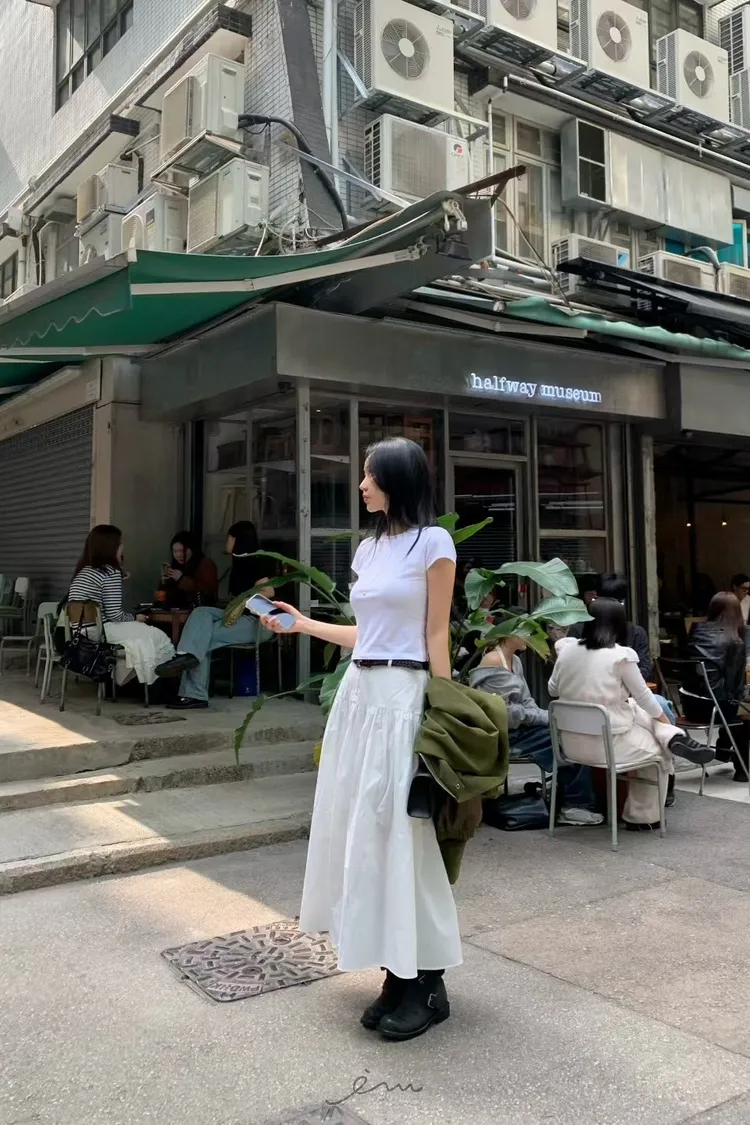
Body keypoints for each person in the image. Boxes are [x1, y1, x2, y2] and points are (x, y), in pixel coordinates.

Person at [260, 437, 462, 1041]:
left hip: (405, 698)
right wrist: (301, 624)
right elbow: (366, 634)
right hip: (360, 698)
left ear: (395, 480)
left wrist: (444, 713)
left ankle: (425, 980)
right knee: (365, 835)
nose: (361, 485)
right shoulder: (368, 550)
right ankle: (396, 974)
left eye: (370, 476)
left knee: (404, 836)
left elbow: (436, 634)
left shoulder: (434, 543)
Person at [549, 599, 713, 831]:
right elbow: (645, 696)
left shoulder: (567, 651)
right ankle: (642, 817)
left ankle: (673, 736)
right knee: (660, 752)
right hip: (608, 744)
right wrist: (664, 721)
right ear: (619, 624)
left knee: (634, 708)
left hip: (570, 744)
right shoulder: (620, 657)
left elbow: (553, 690)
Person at [469, 636, 603, 827]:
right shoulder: (494, 660)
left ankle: (571, 799)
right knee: (568, 739)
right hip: (503, 735)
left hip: (519, 728)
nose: (532, 637)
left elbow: (526, 701)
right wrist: (546, 717)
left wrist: (544, 717)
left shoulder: (514, 660)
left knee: (569, 732)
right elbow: (505, 714)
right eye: (527, 631)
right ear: (510, 633)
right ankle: (574, 805)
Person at [155, 521, 272, 709]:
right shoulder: (238, 563)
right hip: (238, 615)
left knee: (203, 637)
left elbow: (268, 592)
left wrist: (241, 603)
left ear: (236, 539)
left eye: (229, 538)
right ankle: (184, 656)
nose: (226, 542)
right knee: (201, 613)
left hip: (257, 622)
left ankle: (195, 695)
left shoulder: (256, 560)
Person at [67, 525, 174, 685]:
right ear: (110, 547)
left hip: (80, 632)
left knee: (141, 639)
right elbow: (115, 615)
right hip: (101, 632)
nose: (122, 546)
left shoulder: (84, 571)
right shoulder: (111, 573)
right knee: (155, 635)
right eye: (119, 543)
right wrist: (136, 617)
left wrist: (119, 576)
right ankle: (157, 684)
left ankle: (131, 681)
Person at [683, 591, 750, 783]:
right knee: (743, 718)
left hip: (689, 704)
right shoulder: (735, 641)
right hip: (714, 708)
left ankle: (723, 750)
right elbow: (734, 690)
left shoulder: (696, 631)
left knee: (731, 709)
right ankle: (742, 770)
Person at [160, 531, 218, 608]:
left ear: (192, 549)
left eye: (182, 551)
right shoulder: (176, 566)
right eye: (175, 551)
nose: (179, 555)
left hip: (200, 611)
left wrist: (181, 579)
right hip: (178, 611)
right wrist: (164, 584)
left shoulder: (205, 564)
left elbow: (208, 592)